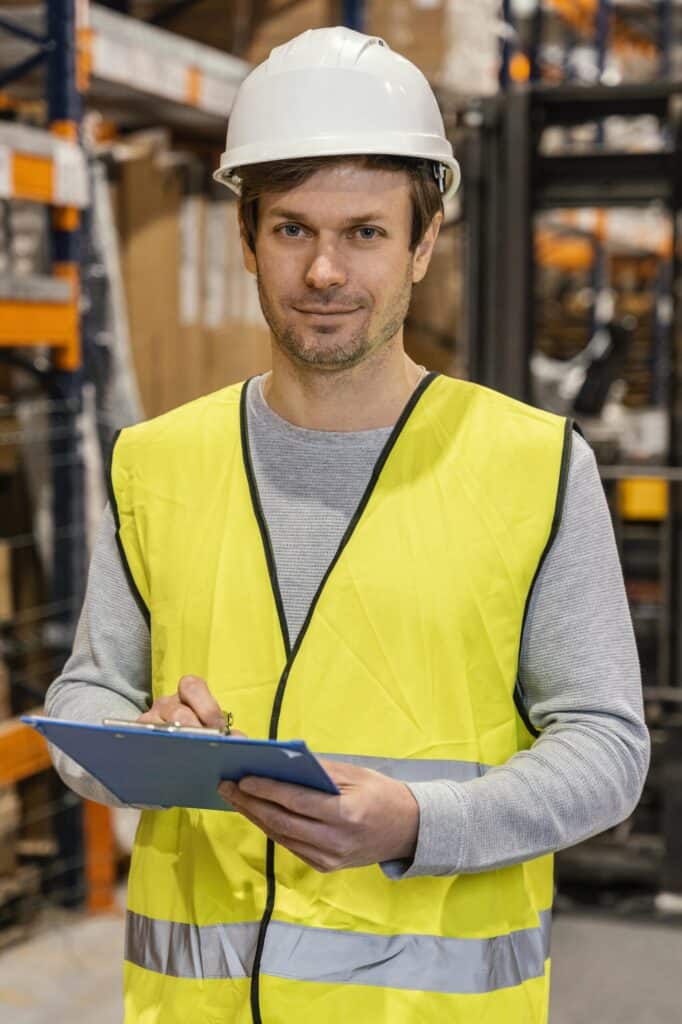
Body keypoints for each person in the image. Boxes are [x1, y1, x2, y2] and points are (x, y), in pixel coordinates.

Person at [46, 25, 649, 1024]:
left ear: (422, 243)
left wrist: (422, 820)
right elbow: (87, 698)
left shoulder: (532, 466)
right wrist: (139, 741)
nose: (324, 271)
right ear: (247, 239)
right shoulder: (156, 461)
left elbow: (605, 748)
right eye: (291, 229)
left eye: (364, 231)